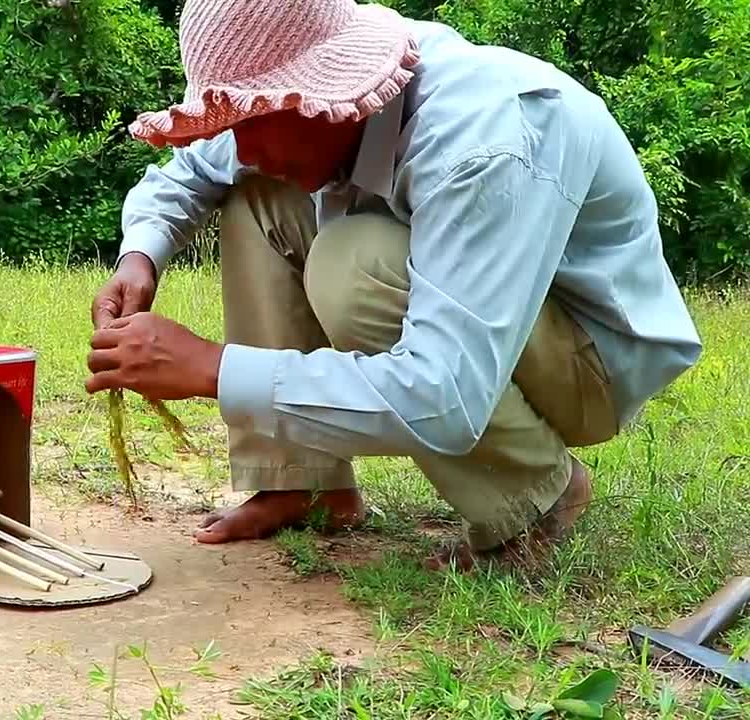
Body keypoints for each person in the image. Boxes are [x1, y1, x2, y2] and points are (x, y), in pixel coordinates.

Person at [84, 0, 702, 570]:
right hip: (500, 343)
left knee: (353, 264)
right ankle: (301, 483)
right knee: (256, 195)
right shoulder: (333, 110)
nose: (239, 141)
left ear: (330, 95)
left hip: (587, 368)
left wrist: (214, 369)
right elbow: (190, 173)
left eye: (254, 115)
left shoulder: (479, 143)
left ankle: (536, 503)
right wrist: (141, 256)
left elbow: (445, 397)